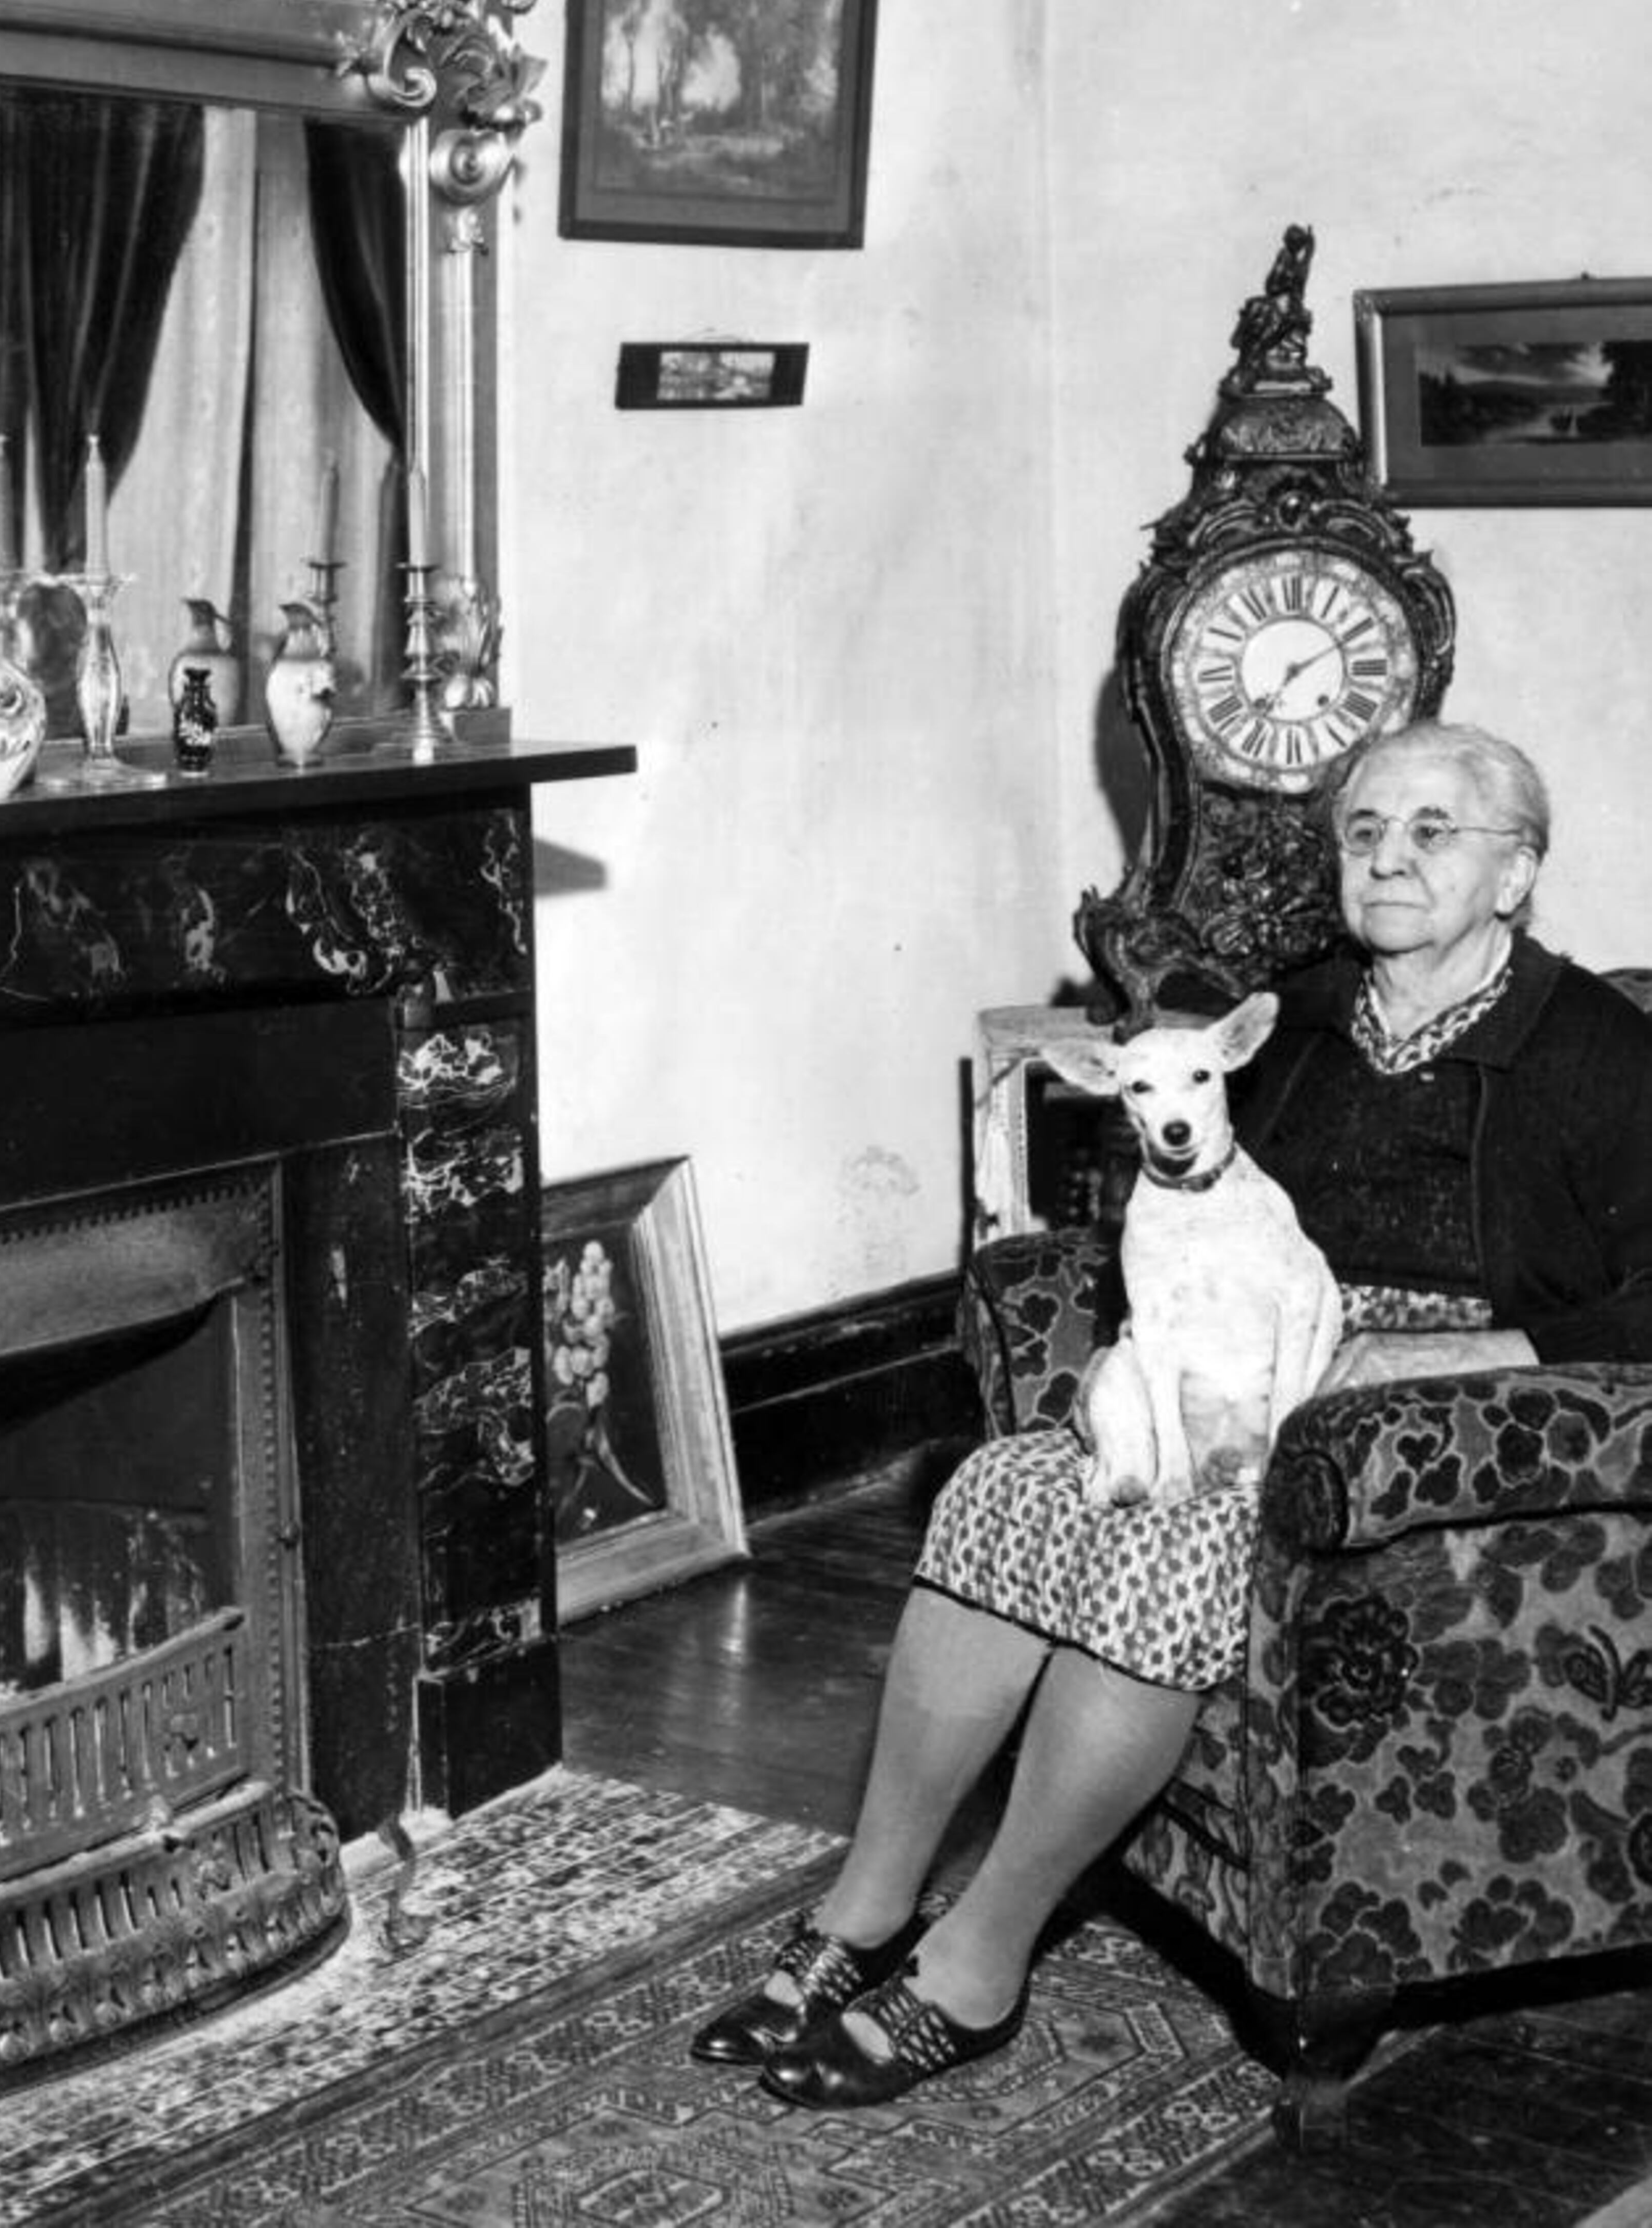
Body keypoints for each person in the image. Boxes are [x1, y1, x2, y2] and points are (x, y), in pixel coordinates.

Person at [690, 720, 1652, 2111]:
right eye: (1363, 830)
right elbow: (1195, 1179)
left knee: (1167, 1542)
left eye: (1433, 831)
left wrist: (1484, 1344)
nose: (1387, 856)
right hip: (1251, 1369)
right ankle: (864, 1908)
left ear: (1517, 874)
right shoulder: (1306, 1015)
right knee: (1006, 1488)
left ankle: (980, 1954)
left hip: (1440, 1450)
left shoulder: (1599, 1051)